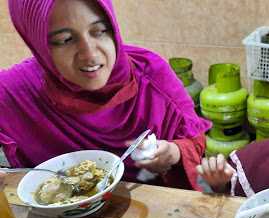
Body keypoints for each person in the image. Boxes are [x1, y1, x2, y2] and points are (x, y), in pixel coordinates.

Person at [1, 0, 211, 190]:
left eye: (100, 31)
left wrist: (172, 153)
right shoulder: (18, 91)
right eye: (66, 40)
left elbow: (194, 141)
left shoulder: (151, 76)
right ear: (37, 43)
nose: (90, 55)